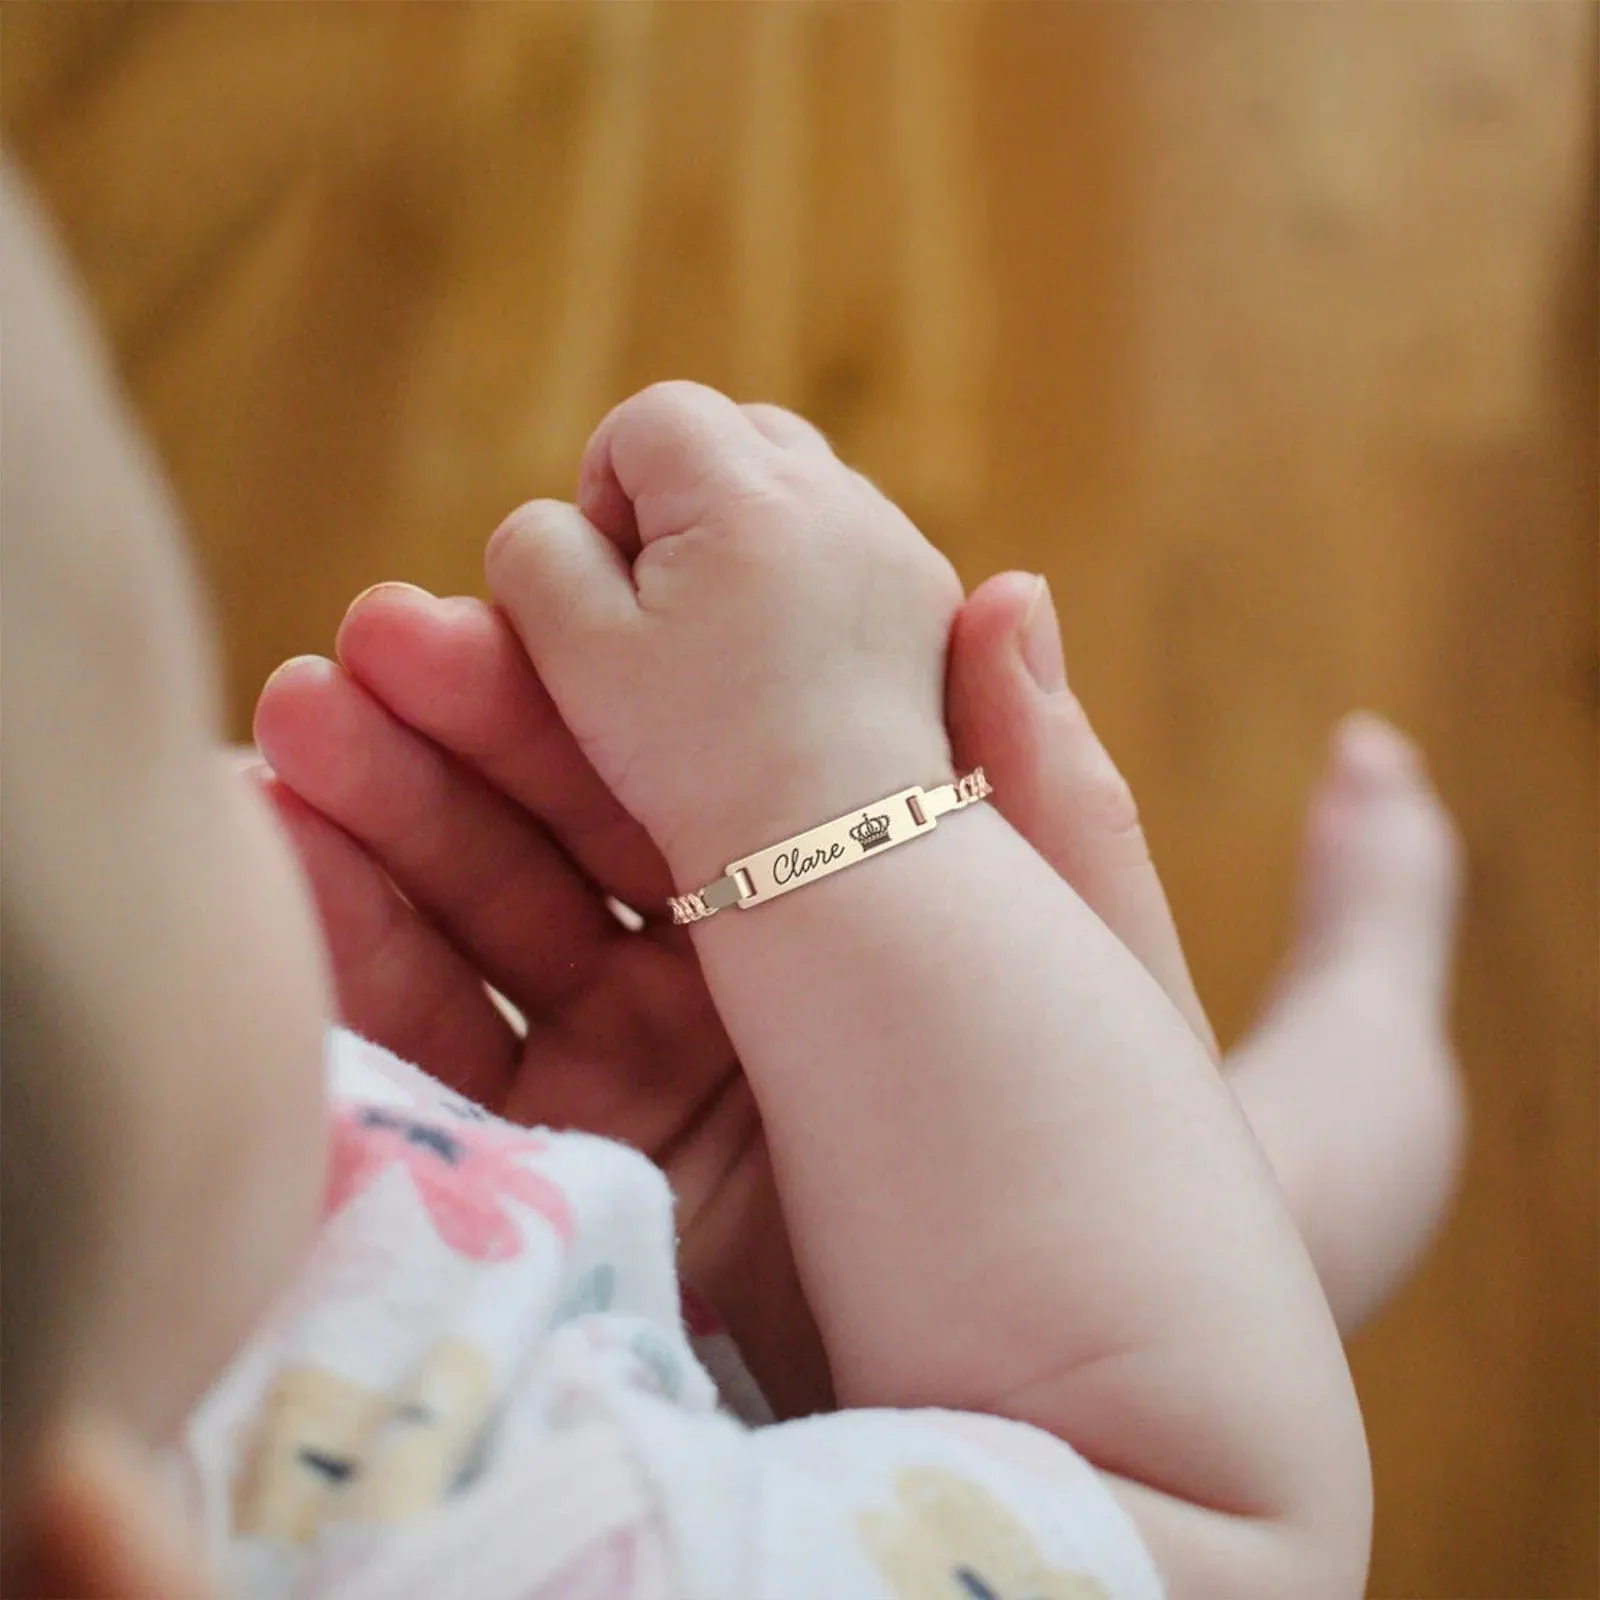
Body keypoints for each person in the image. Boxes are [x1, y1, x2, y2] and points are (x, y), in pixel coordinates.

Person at [0, 161, 1464, 1600]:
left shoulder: (96, 1321)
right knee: (1266, 1198)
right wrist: (831, 792)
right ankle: (1382, 988)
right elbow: (1200, 1512)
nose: (225, 790)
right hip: (1047, 1381)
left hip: (642, 1234)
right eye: (168, 809)